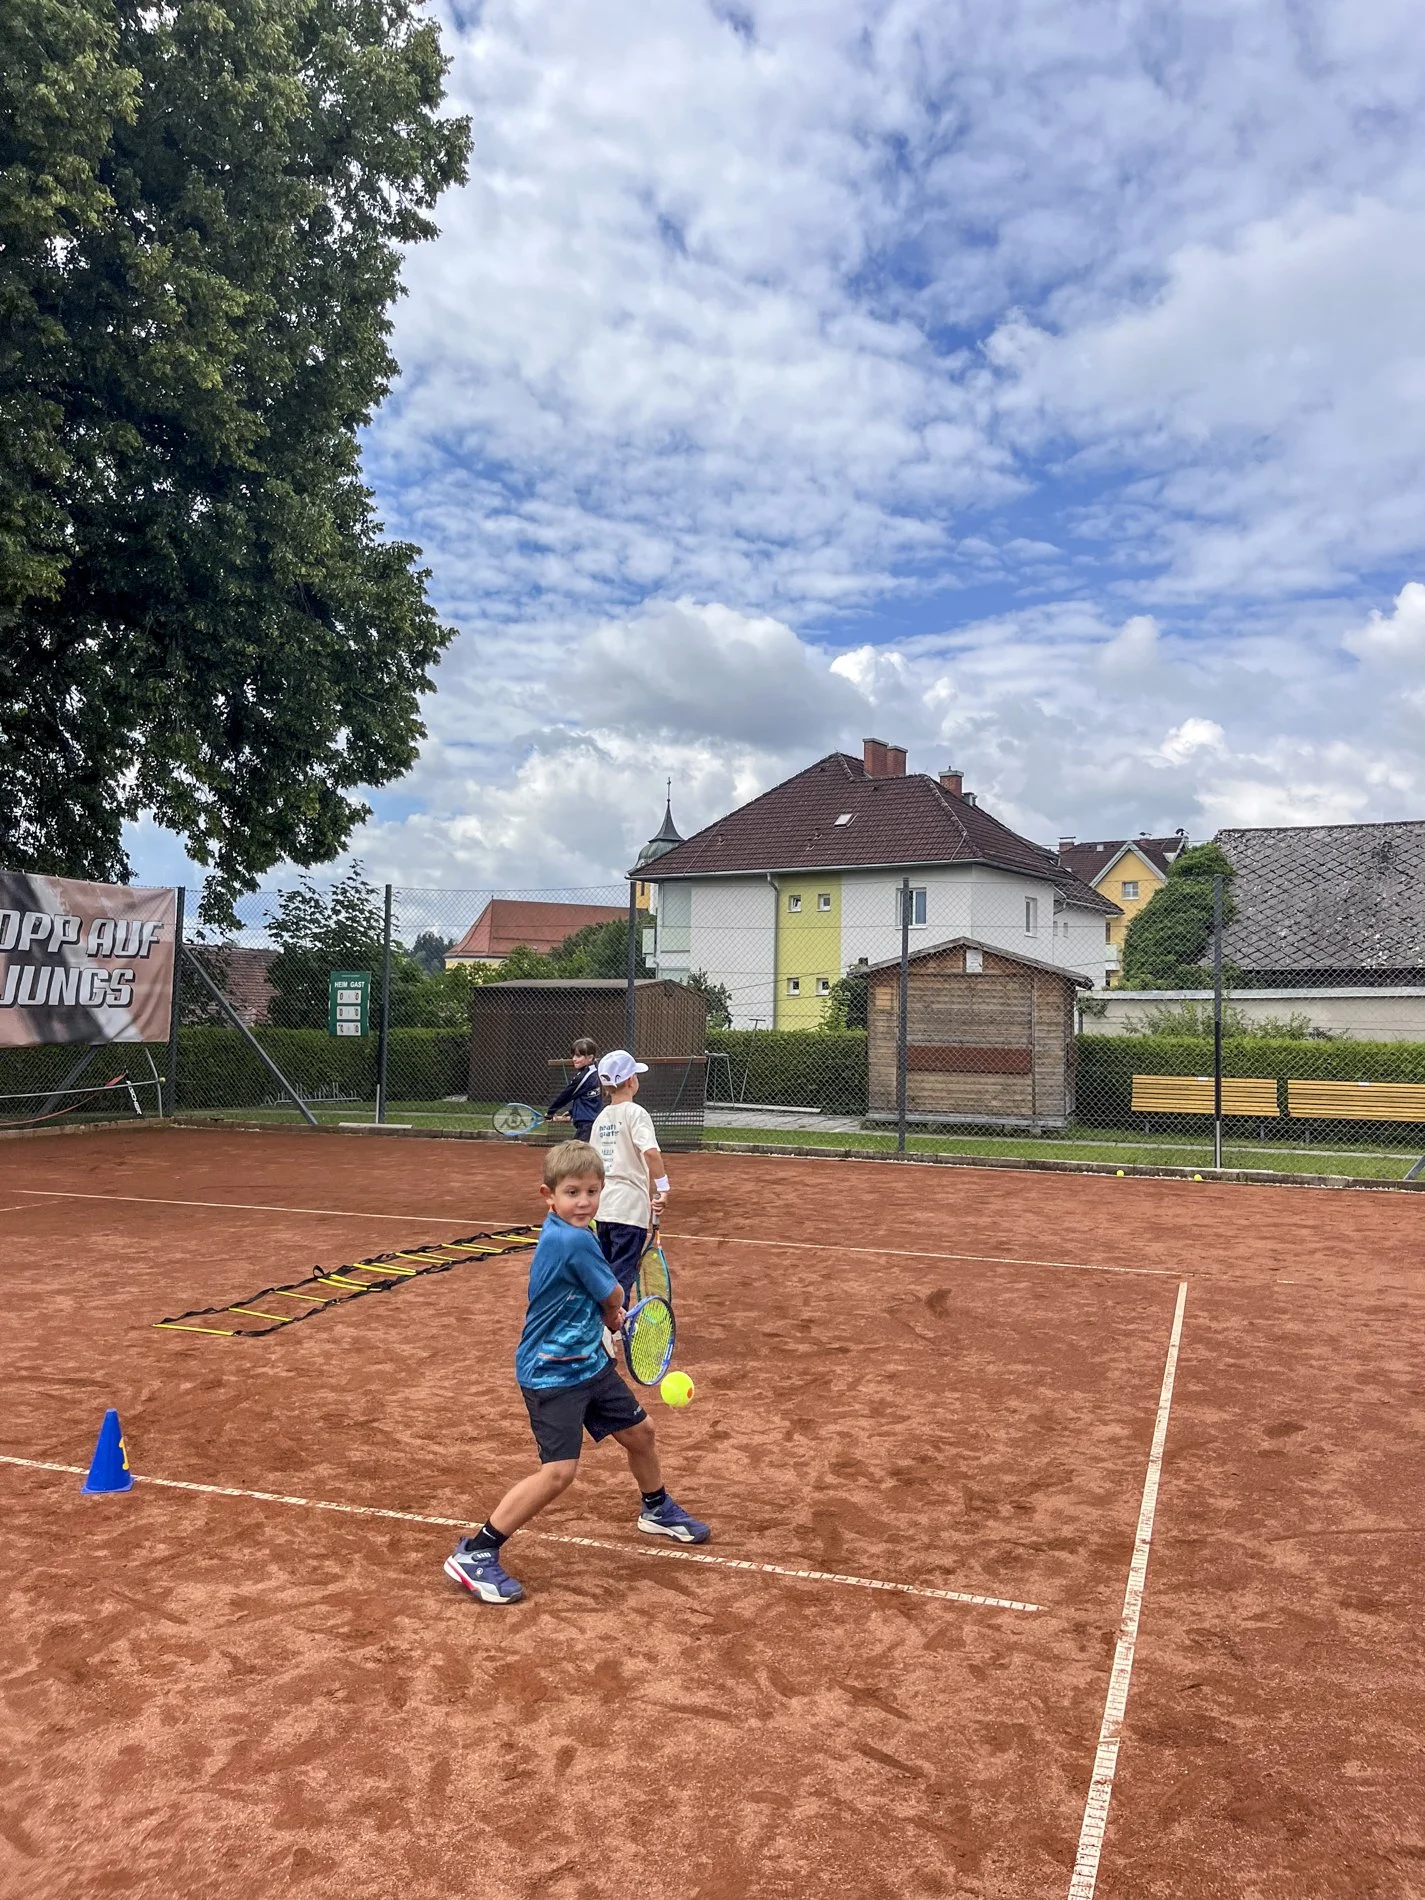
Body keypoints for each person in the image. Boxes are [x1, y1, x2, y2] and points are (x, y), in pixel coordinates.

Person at [444, 1140, 709, 1605]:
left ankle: (655, 1508)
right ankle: (477, 1552)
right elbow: (610, 1295)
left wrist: (606, 1316)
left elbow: (594, 1295)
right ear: (549, 1195)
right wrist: (614, 1312)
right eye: (572, 1192)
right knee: (559, 1473)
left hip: (587, 1362)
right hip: (551, 1373)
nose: (583, 1201)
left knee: (641, 1433)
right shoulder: (569, 1238)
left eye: (591, 1191)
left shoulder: (577, 1231)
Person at [589, 1049, 668, 1300]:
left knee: (605, 1276)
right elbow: (651, 1153)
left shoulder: (601, 1118)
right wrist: (664, 1188)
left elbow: (592, 1163)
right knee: (621, 1278)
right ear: (632, 1081)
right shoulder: (636, 1113)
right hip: (629, 1211)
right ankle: (608, 1331)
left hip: (603, 1210)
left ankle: (598, 1328)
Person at [545, 1036, 602, 1143]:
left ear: (590, 1057)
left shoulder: (585, 1076)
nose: (574, 1059)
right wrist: (572, 1112)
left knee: (576, 1155)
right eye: (573, 1055)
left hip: (587, 1125)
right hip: (590, 1123)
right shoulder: (595, 1072)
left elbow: (567, 1094)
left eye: (578, 1056)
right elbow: (586, 1098)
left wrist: (551, 1111)